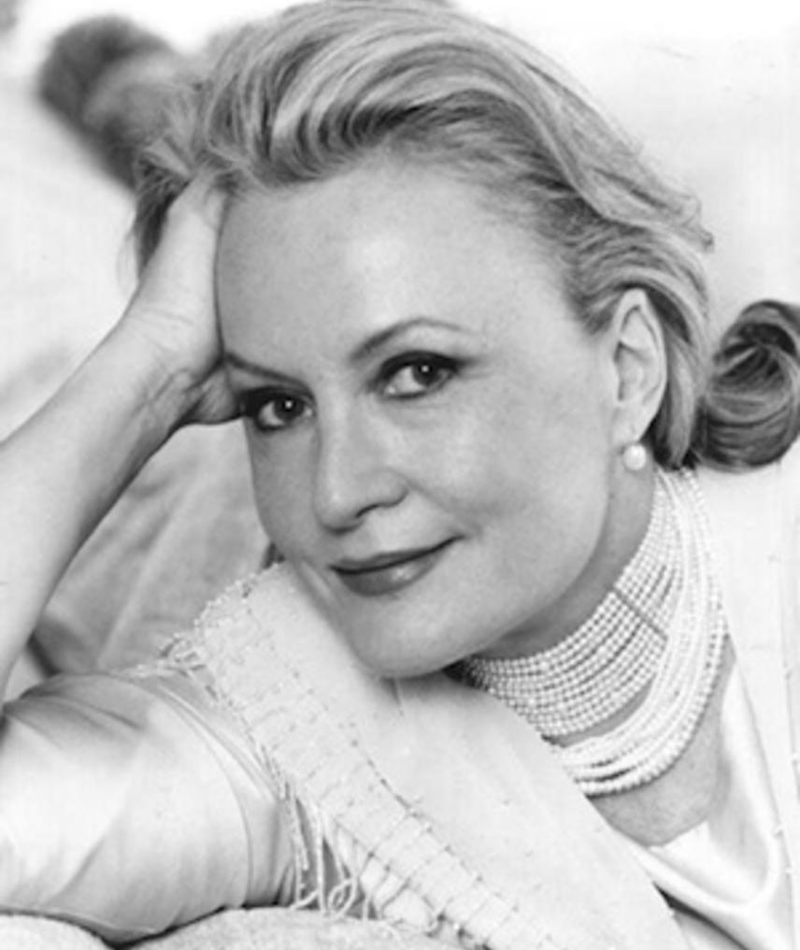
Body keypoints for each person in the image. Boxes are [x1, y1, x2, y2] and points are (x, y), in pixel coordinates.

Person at [0, 2, 798, 948]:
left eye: (418, 373)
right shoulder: (286, 722)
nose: (336, 493)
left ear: (628, 369)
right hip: (171, 529)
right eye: (277, 406)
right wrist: (151, 371)